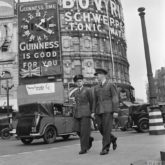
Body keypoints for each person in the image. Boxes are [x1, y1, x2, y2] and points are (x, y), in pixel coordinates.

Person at [92, 68, 119, 155]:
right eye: (96, 75)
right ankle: (112, 138)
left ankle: (105, 148)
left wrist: (115, 110)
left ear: (103, 75)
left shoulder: (110, 85)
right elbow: (94, 100)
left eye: (98, 74)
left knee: (107, 129)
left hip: (108, 110)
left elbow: (115, 98)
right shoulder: (96, 87)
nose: (97, 76)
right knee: (100, 128)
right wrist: (93, 111)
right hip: (98, 111)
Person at [72, 74, 94, 154]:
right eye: (77, 81)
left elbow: (92, 101)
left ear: (83, 81)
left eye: (80, 81)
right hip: (77, 113)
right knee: (77, 130)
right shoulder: (75, 92)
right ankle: (89, 139)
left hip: (86, 113)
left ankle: (84, 148)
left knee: (84, 132)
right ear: (75, 83)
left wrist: (92, 112)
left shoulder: (88, 90)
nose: (79, 83)